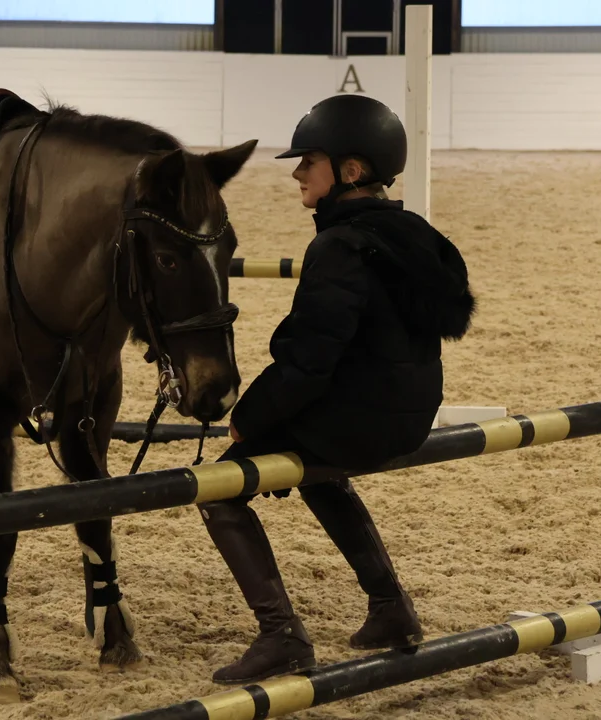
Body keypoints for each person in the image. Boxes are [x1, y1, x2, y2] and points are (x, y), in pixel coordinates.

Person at [198, 93, 475, 685]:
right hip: (410, 417)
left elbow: (310, 360)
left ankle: (281, 637)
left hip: (357, 422)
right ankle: (390, 609)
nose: (297, 172)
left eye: (309, 161)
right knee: (320, 476)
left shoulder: (337, 247)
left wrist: (251, 418)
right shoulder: (414, 233)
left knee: (220, 493)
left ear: (350, 171)